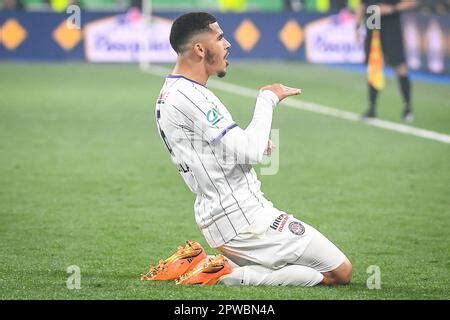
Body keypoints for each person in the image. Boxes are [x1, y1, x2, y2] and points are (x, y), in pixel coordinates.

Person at [144, 12, 352, 286]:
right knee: (340, 272)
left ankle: (199, 261)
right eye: (219, 38)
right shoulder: (193, 97)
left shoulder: (173, 92)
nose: (228, 44)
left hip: (220, 215)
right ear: (199, 49)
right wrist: (268, 98)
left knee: (305, 268)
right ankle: (221, 273)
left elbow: (205, 148)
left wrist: (249, 142)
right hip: (245, 219)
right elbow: (250, 152)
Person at [355, 0, 417, 122]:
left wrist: (392, 8)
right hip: (372, 25)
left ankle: (407, 108)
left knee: (400, 67)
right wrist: (357, 24)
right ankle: (372, 108)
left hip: (390, 26)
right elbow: (362, 4)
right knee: (374, 68)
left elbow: (411, 2)